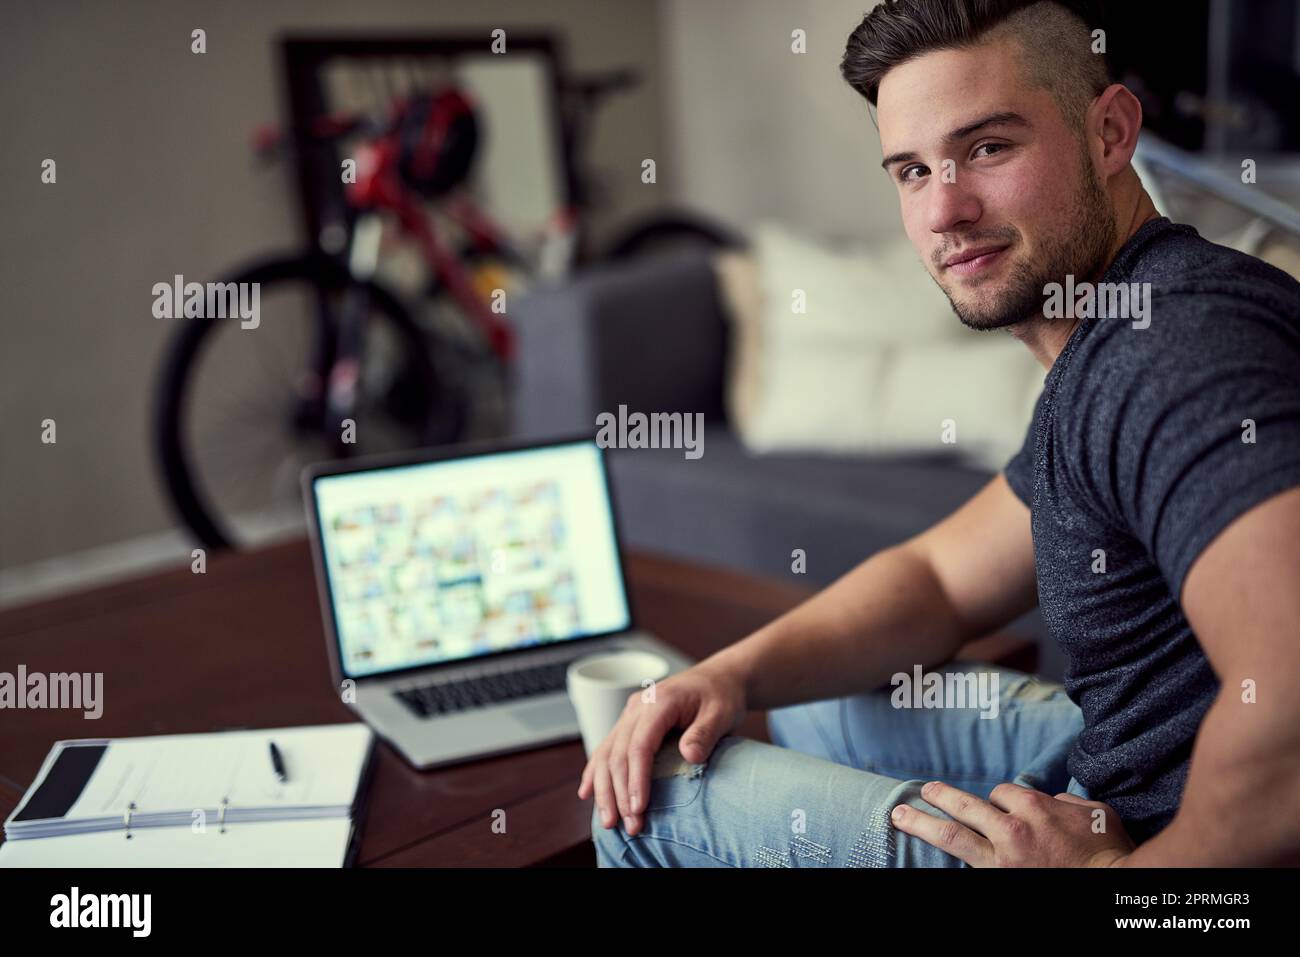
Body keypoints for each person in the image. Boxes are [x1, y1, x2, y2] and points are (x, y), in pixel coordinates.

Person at [580, 0, 1300, 867]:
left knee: (651, 806)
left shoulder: (1171, 356)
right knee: (819, 701)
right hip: (1120, 778)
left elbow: (1290, 709)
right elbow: (939, 581)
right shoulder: (1117, 325)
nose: (945, 210)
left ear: (1110, 133)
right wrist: (721, 672)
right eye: (912, 171)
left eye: (988, 148)